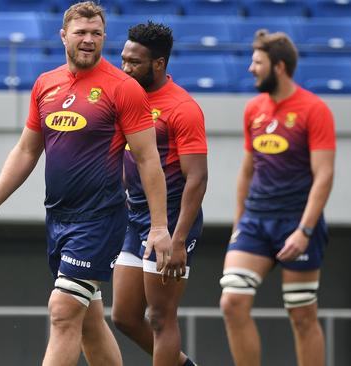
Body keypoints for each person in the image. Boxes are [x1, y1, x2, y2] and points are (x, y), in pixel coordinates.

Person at [0, 3, 171, 365]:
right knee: (88, 322)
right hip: (58, 217)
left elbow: (147, 159)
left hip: (100, 218)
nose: (89, 40)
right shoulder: (46, 84)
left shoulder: (123, 89)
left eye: (96, 34)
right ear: (64, 36)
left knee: (62, 310)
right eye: (81, 33)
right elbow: (27, 150)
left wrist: (158, 226)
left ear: (104, 38)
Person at [219, 29, 335, 366]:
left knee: (302, 316)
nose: (250, 69)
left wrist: (305, 230)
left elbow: (324, 175)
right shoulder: (253, 109)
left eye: (257, 62)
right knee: (232, 303)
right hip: (255, 221)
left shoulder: (315, 109)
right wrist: (238, 222)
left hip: (296, 221)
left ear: (279, 67)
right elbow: (247, 170)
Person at [111, 21, 207, 366]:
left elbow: (197, 178)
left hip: (170, 221)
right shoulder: (126, 98)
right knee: (123, 315)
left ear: (159, 64)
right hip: (135, 216)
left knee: (160, 317)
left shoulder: (183, 108)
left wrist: (178, 238)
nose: (125, 68)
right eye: (123, 59)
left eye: (134, 62)